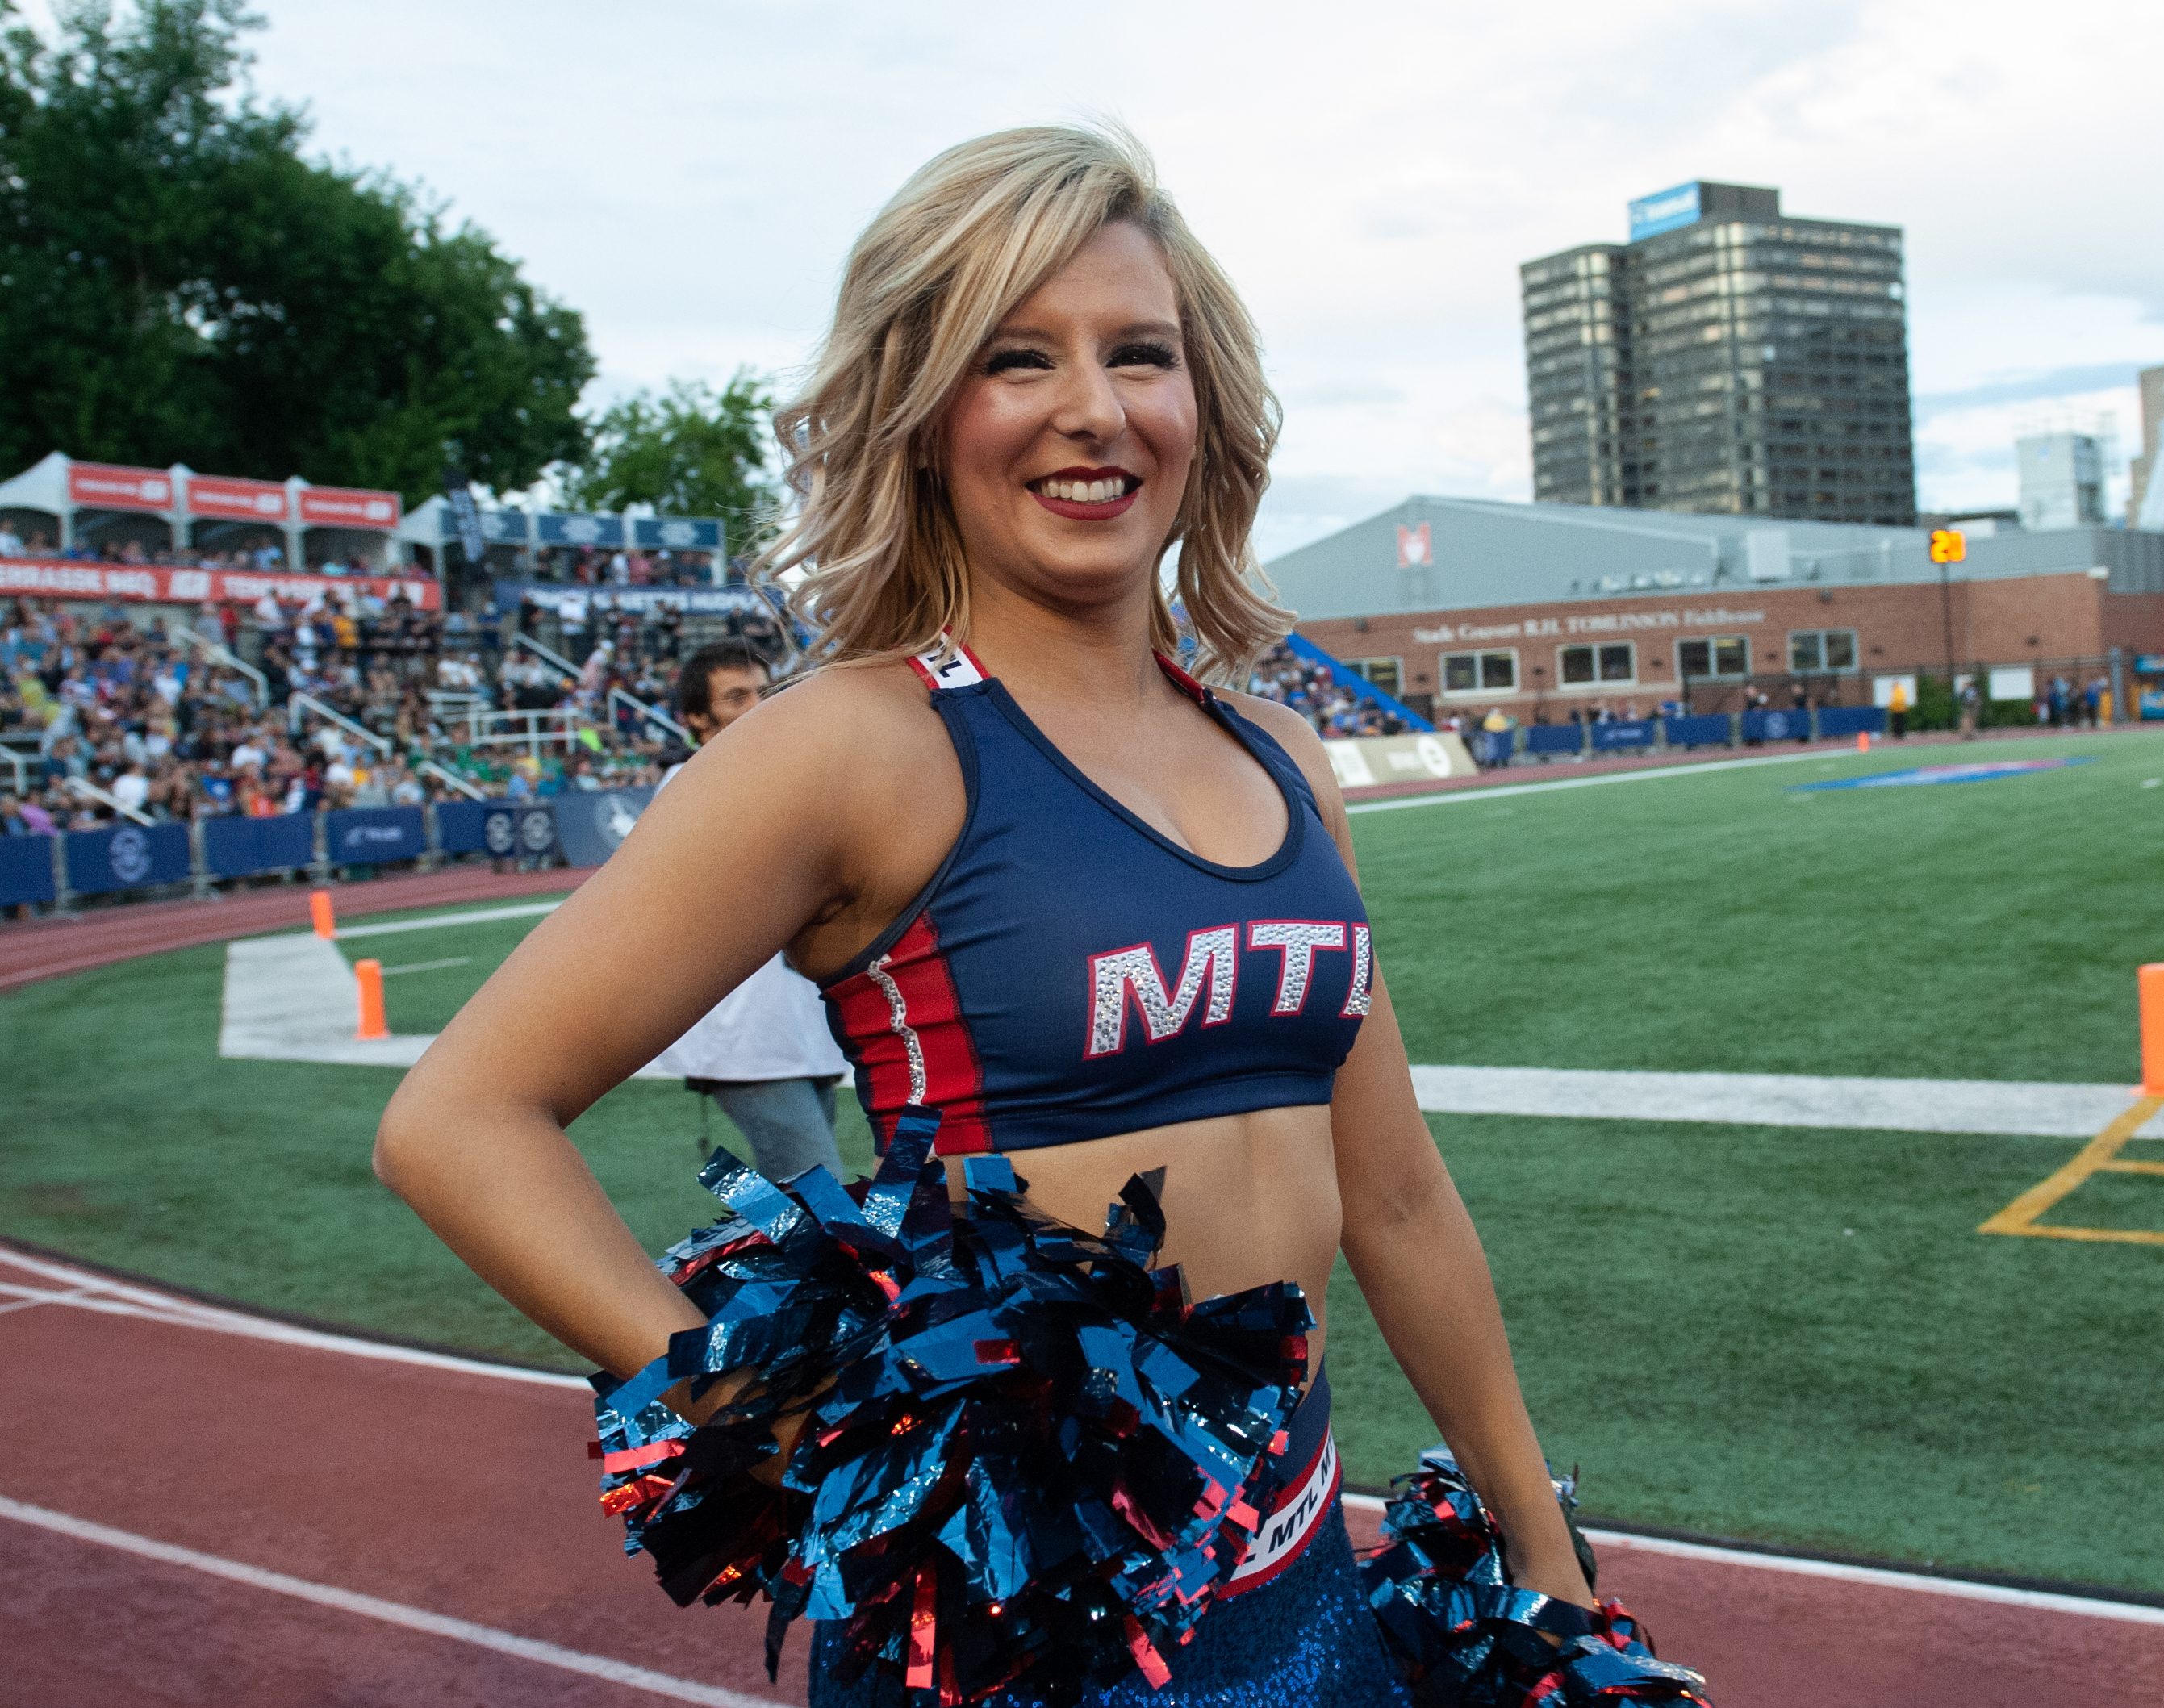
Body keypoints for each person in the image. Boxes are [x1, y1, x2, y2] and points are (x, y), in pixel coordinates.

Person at [373, 125, 1593, 1705]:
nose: (1093, 405)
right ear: (925, 414)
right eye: (1015, 358)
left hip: (1303, 1584)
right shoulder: (854, 746)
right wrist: (772, 1412)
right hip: (1015, 1638)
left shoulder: (1283, 755)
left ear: (1202, 403)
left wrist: (1536, 1535)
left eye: (1138, 353)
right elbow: (459, 1117)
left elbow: (1399, 1192)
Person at [645, 637, 854, 1184]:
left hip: (801, 1030)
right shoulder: (686, 789)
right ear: (696, 717)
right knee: (822, 1195)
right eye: (737, 697)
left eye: (766, 692)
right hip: (745, 1041)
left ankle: (756, 1264)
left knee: (803, 1199)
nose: (760, 708)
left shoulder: (781, 781)